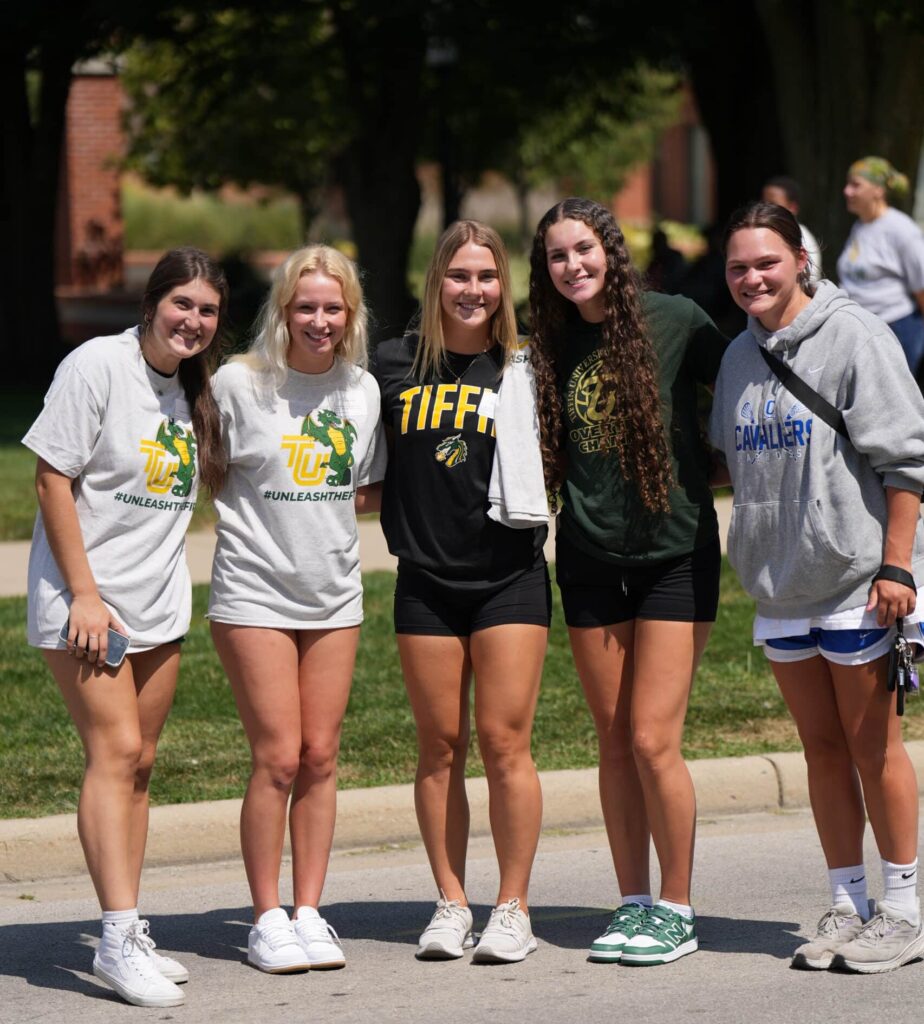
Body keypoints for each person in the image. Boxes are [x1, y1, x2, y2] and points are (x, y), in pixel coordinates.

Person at [711, 200, 924, 973]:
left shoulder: (855, 335)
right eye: (738, 267)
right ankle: (847, 901)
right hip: (781, 587)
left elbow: (907, 463)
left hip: (859, 581)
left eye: (766, 262)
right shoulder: (738, 356)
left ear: (801, 261)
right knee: (822, 750)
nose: (752, 278)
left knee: (873, 748)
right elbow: (732, 462)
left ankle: (903, 911)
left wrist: (897, 566)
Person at [23, 247, 228, 1007]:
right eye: (182, 304)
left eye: (208, 311)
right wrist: (83, 594)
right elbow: (51, 477)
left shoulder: (193, 389)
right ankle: (113, 940)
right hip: (88, 604)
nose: (193, 321)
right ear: (153, 302)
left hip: (157, 607)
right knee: (113, 753)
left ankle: (129, 924)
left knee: (140, 764)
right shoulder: (97, 367)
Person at [529, 197, 728, 966]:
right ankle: (634, 902)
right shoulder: (548, 341)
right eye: (557, 255)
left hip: (674, 554)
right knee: (613, 741)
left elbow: (745, 388)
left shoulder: (674, 319)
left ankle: (677, 908)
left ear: (610, 249)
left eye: (583, 249)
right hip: (587, 560)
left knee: (652, 738)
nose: (572, 265)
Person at [369, 220, 551, 964]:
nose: (472, 289)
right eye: (458, 275)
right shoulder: (392, 364)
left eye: (486, 275)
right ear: (435, 281)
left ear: (503, 284)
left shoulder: (525, 367)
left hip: (509, 577)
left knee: (506, 744)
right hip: (425, 580)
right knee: (439, 746)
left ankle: (512, 907)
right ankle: (450, 901)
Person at [208, 245, 385, 973]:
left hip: (334, 596)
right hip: (253, 593)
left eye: (332, 308)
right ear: (283, 311)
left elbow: (364, 488)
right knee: (278, 757)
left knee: (320, 756)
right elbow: (204, 473)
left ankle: (310, 911)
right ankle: (266, 917)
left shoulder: (362, 390)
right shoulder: (237, 384)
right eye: (305, 306)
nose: (319, 320)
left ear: (351, 315)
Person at [837, 156, 924, 375]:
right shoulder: (860, 226)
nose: (847, 191)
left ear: (878, 190)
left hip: (894, 331)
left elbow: (921, 286)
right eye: (847, 184)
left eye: (856, 185)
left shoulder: (901, 229)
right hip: (860, 328)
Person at [761, 175, 823, 283]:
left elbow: (809, 282)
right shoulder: (761, 233)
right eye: (763, 203)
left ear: (792, 208)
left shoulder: (803, 239)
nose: (765, 209)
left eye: (772, 204)